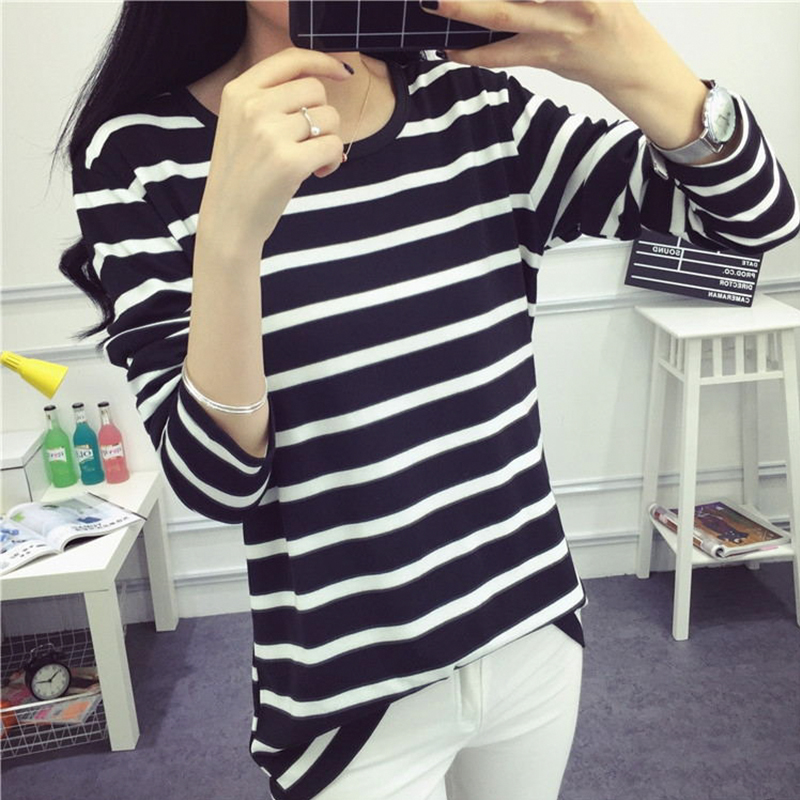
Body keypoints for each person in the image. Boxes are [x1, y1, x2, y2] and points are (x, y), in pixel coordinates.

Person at [56, 2, 798, 799]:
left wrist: (630, 54)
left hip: (531, 631)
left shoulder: (471, 104)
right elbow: (218, 485)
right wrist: (231, 237)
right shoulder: (137, 153)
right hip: (350, 692)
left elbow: (748, 224)